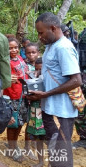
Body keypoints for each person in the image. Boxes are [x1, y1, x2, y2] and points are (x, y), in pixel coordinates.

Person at [27, 12, 82, 167]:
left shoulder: (63, 48)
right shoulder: (51, 46)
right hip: (51, 109)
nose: (39, 37)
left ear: (53, 28)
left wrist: (47, 94)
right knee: (54, 150)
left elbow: (76, 80)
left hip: (61, 111)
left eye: (41, 32)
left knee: (60, 153)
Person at [3, 37, 29, 163]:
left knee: (21, 122)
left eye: (15, 47)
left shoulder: (19, 58)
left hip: (22, 96)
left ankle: (14, 144)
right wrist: (7, 79)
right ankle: (12, 148)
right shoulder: (5, 62)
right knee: (13, 124)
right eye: (10, 48)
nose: (13, 50)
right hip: (12, 96)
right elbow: (0, 79)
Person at [24, 44, 45, 167]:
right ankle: (41, 161)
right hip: (36, 110)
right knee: (38, 136)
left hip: (47, 111)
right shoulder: (33, 77)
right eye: (37, 69)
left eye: (41, 69)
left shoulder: (51, 79)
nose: (38, 72)